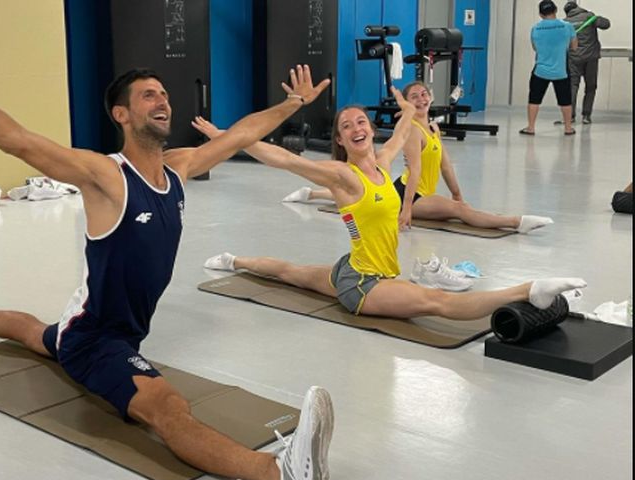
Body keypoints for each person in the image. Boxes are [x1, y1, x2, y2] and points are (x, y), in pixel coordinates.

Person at [0, 24, 335, 480]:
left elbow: (241, 133)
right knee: (167, 407)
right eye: (148, 95)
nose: (163, 101)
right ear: (122, 114)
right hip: (97, 341)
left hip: (94, 327)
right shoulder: (106, 176)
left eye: (164, 94)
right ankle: (280, 477)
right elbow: (17, 140)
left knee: (38, 334)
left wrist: (291, 105)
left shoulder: (178, 168)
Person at [196, 88, 586, 318]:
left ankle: (234, 260)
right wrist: (226, 138)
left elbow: (401, 131)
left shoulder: (383, 164)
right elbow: (285, 159)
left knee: (289, 272)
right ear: (341, 141)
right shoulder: (343, 176)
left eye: (360, 122)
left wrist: (407, 107)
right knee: (437, 302)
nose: (356, 128)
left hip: (350, 267)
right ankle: (529, 289)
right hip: (363, 284)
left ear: (369, 129)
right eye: (346, 126)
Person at [281, 81, 554, 238]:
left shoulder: (433, 127)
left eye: (424, 94)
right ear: (407, 103)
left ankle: (312, 193)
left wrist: (457, 193)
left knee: (356, 191)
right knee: (459, 213)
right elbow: (414, 170)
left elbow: (445, 164)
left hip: (418, 191)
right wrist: (407, 208)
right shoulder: (413, 131)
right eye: (414, 97)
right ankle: (517, 222)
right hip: (410, 193)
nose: (421, 99)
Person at [520, 0, 578, 136]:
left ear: (540, 14)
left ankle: (531, 128)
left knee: (534, 99)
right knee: (565, 101)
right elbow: (574, 47)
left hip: (540, 70)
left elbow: (535, 48)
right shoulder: (567, 26)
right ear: (556, 10)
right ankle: (568, 128)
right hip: (561, 71)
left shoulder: (535, 28)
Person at [554, 2, 611, 125]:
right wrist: (597, 18)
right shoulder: (589, 17)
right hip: (591, 58)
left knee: (572, 86)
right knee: (590, 87)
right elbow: (606, 24)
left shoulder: (565, 23)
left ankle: (570, 116)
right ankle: (586, 116)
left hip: (573, 58)